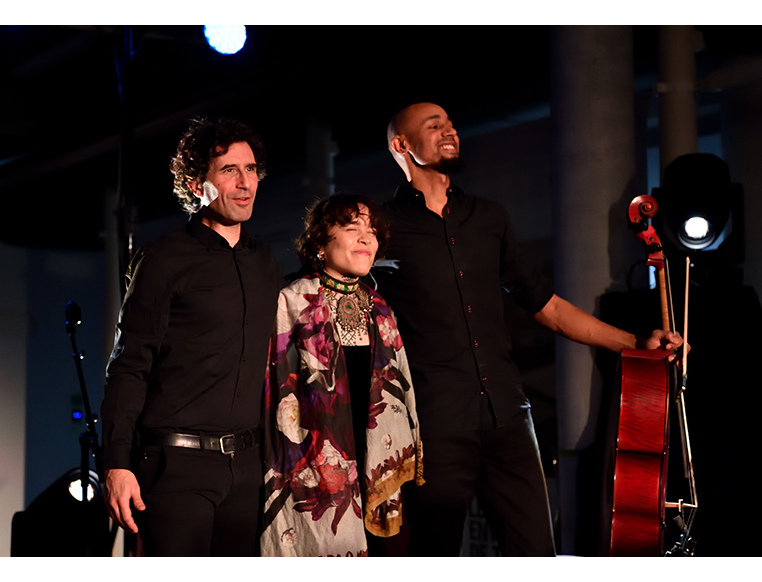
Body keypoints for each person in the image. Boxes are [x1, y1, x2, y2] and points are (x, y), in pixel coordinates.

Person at [373, 102, 687, 557]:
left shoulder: (489, 217)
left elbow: (547, 305)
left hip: (508, 416)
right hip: (433, 423)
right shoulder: (382, 227)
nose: (450, 130)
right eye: (434, 125)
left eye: (451, 122)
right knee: (432, 556)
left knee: (536, 554)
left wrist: (636, 343)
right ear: (401, 145)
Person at [99, 117, 283, 556]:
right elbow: (129, 366)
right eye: (229, 170)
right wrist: (116, 465)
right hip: (175, 469)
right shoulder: (163, 259)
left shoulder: (265, 262)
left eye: (251, 169)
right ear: (195, 182)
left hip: (247, 469)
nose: (245, 183)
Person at [260, 194, 424, 557]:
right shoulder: (291, 302)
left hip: (378, 466)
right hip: (317, 467)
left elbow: (401, 391)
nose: (367, 239)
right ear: (320, 242)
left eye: (372, 231)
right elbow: (275, 396)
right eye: (353, 229)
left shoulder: (380, 309)